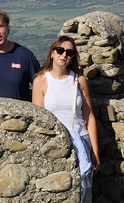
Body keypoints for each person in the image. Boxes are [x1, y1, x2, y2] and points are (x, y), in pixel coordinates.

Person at [32, 36, 100, 203]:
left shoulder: (79, 80)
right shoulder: (41, 81)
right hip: (55, 143)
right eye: (60, 50)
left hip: (81, 139)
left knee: (83, 193)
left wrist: (95, 151)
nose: (64, 55)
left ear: (72, 57)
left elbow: (88, 116)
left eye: (69, 53)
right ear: (52, 53)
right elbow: (38, 120)